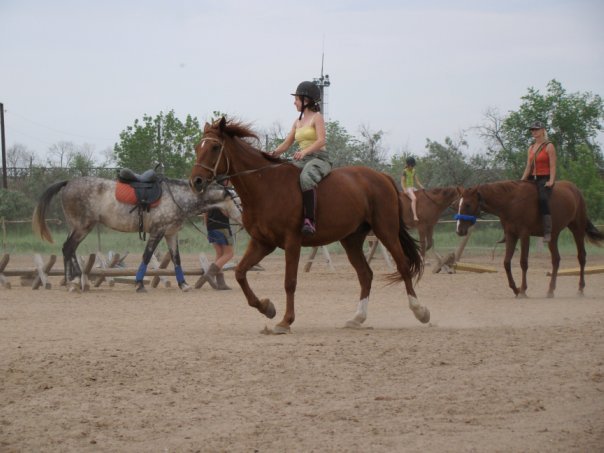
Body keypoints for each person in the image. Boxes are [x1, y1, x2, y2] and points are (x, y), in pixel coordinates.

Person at [270, 81, 332, 235]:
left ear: (306, 100)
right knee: (282, 173)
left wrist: (304, 152)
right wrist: (272, 154)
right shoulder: (297, 122)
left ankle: (309, 220)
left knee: (305, 177)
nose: (294, 102)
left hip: (319, 159)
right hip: (302, 159)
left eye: (296, 99)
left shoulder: (317, 117)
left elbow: (321, 140)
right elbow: (286, 144)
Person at [520, 120, 557, 242]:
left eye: (536, 129)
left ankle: (547, 231)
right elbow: (528, 166)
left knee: (542, 199)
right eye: (532, 130)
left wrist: (551, 181)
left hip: (544, 178)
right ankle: (515, 227)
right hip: (532, 178)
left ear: (542, 130)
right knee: (517, 196)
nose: (534, 132)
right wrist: (521, 181)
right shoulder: (530, 147)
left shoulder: (549, 146)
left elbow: (552, 166)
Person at [203, 180, 235, 290]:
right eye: (230, 180)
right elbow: (227, 212)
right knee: (229, 254)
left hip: (211, 227)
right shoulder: (226, 194)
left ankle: (221, 283)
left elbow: (205, 214)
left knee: (219, 254)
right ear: (225, 182)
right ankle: (210, 274)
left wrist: (207, 229)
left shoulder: (210, 195)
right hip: (223, 227)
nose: (231, 182)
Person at [401, 156, 424, 222]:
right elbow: (402, 182)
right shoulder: (405, 171)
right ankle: (414, 216)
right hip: (408, 188)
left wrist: (421, 186)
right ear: (408, 165)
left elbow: (417, 181)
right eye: (412, 166)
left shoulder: (414, 171)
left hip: (412, 187)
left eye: (413, 166)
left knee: (422, 195)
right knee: (414, 199)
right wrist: (404, 190)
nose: (413, 167)